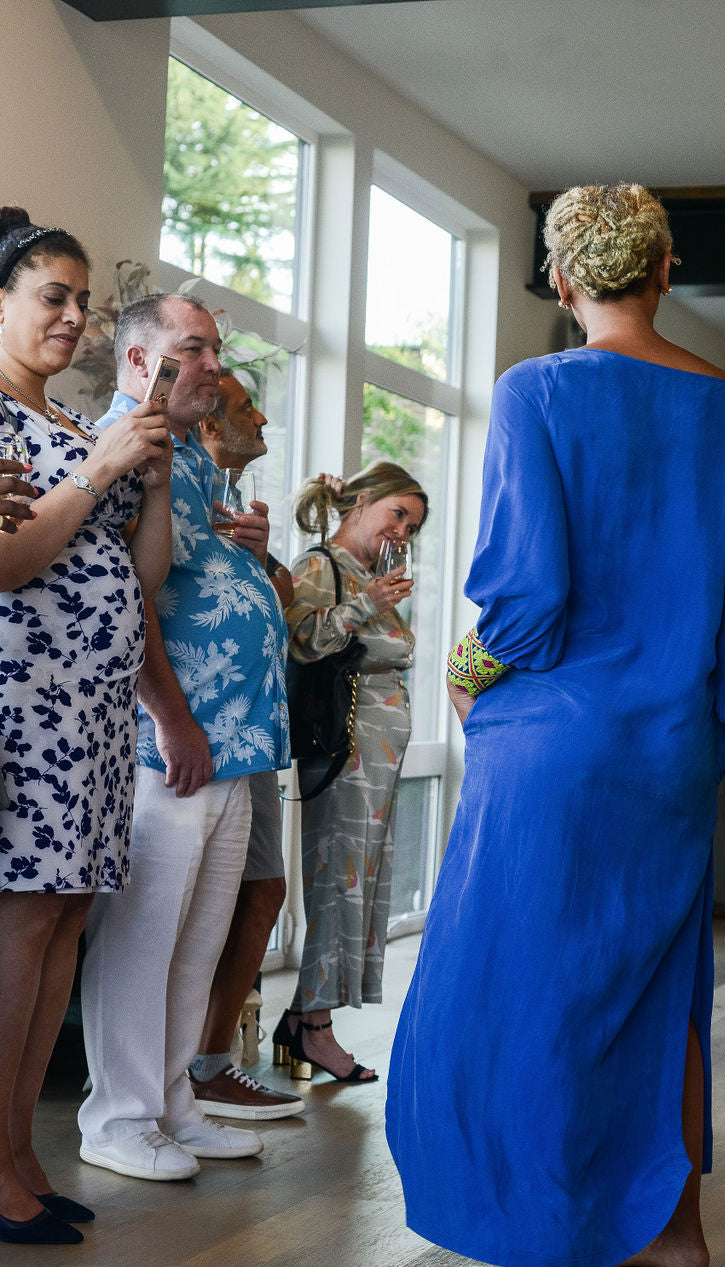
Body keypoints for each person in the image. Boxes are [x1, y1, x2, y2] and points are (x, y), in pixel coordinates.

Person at [386, 182, 725, 1267]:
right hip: (670, 755)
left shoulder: (538, 391)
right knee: (659, 985)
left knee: (542, 997)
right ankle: (674, 1226)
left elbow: (527, 596)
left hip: (550, 751)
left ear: (561, 284)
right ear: (666, 272)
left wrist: (464, 675)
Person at [78, 294, 290, 1181]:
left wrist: (253, 548)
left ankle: (171, 1099)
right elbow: (128, 597)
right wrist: (169, 715)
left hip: (230, 740)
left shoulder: (196, 459)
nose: (212, 365)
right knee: (146, 934)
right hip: (171, 738)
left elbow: (200, 574)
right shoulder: (122, 442)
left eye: (213, 349)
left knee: (197, 937)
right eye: (193, 349)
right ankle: (118, 1115)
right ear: (141, 362)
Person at [0, 209, 172, 1240]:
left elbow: (140, 576)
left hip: (93, 710)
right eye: (49, 297)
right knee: (22, 927)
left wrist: (142, 479)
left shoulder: (67, 423)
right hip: (25, 704)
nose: (72, 316)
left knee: (63, 921)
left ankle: (23, 1148)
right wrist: (99, 472)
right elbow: (10, 566)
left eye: (81, 300)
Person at [275, 463, 425, 1082]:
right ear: (359, 503)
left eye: (412, 525)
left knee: (362, 878)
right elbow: (303, 642)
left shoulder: (369, 576)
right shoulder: (321, 565)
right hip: (347, 746)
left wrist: (374, 599)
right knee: (340, 879)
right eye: (397, 514)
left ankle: (310, 1016)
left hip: (378, 749)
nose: (403, 530)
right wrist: (368, 604)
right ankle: (312, 1027)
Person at [183, 371, 302, 1120]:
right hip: (200, 729)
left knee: (263, 888)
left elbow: (280, 600)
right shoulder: (179, 487)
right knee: (207, 899)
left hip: (251, 729)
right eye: (246, 407)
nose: (261, 416)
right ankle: (186, 1070)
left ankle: (206, 1061)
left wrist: (262, 558)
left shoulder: (233, 505)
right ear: (208, 427)